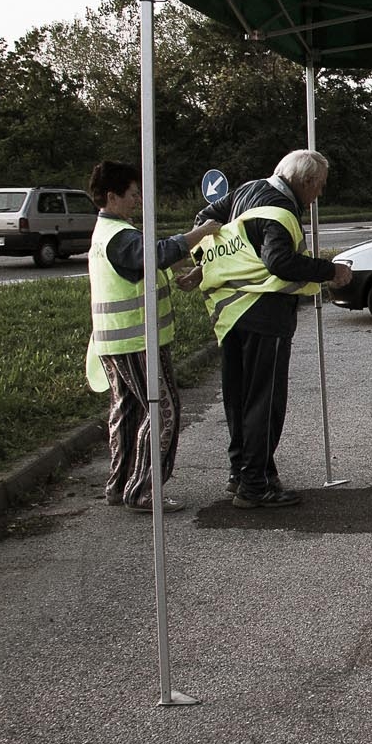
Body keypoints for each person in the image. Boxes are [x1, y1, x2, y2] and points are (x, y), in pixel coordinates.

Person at [193, 149, 352, 509]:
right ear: (306, 181)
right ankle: (254, 484)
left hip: (230, 312)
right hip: (265, 313)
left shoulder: (248, 190)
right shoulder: (280, 210)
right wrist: (332, 271)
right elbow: (279, 262)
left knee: (239, 397)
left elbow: (204, 219)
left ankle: (243, 472)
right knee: (264, 401)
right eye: (320, 187)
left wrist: (208, 260)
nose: (319, 195)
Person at [84, 161, 221, 512]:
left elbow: (145, 266)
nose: (138, 199)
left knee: (128, 411)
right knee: (164, 411)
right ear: (112, 197)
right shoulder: (120, 236)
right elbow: (155, 255)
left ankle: (119, 484)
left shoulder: (110, 232)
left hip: (117, 340)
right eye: (132, 194)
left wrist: (177, 274)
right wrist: (201, 233)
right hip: (137, 341)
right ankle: (143, 491)